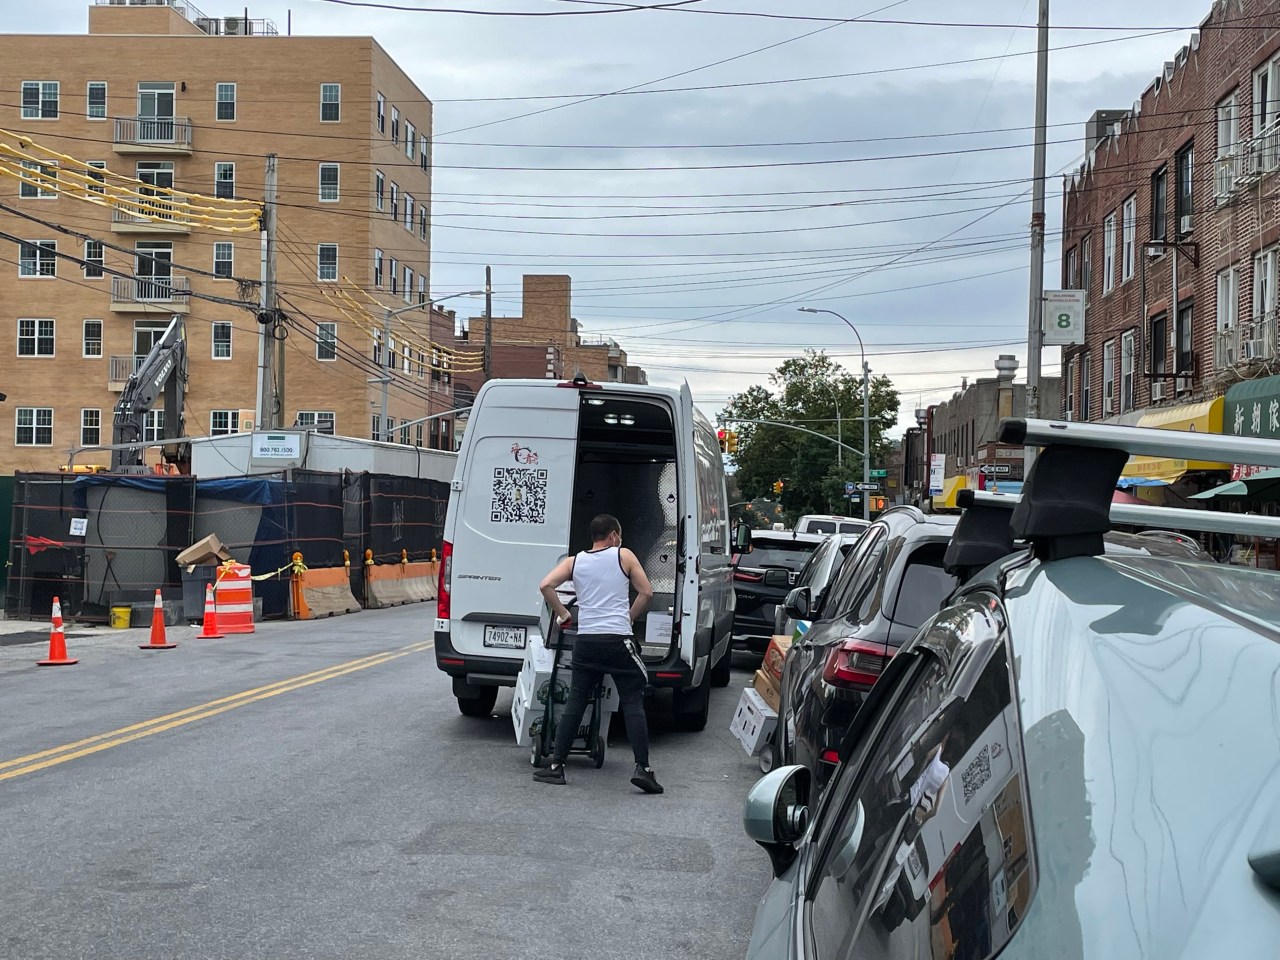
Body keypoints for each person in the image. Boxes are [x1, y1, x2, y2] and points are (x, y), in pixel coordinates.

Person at [534, 513, 663, 794]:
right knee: (632, 700)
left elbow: (546, 586)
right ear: (614, 536)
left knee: (576, 702)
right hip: (617, 640)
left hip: (587, 642)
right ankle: (643, 768)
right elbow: (647, 592)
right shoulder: (624, 555)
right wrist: (628, 618)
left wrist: (564, 614)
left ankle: (556, 766)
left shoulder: (574, 561)